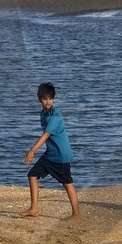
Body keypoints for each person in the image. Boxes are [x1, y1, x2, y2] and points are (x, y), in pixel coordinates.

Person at [21, 82, 81, 220]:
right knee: (32, 175)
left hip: (61, 155)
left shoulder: (55, 116)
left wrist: (32, 151)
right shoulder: (43, 113)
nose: (48, 101)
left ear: (53, 99)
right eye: (45, 98)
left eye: (50, 98)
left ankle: (76, 214)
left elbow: (46, 135)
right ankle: (34, 209)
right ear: (39, 99)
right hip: (50, 154)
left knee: (67, 183)